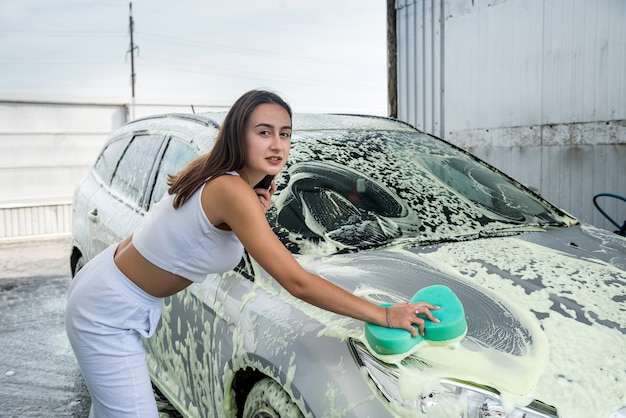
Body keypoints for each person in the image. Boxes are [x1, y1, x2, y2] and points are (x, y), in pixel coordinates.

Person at [65, 89, 440, 417]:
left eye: (285, 134)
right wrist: (384, 313)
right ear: (237, 136)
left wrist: (250, 217)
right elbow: (297, 281)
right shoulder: (231, 190)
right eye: (264, 133)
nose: (278, 145)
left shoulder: (218, 177)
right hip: (106, 313)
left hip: (110, 289)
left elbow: (199, 234)